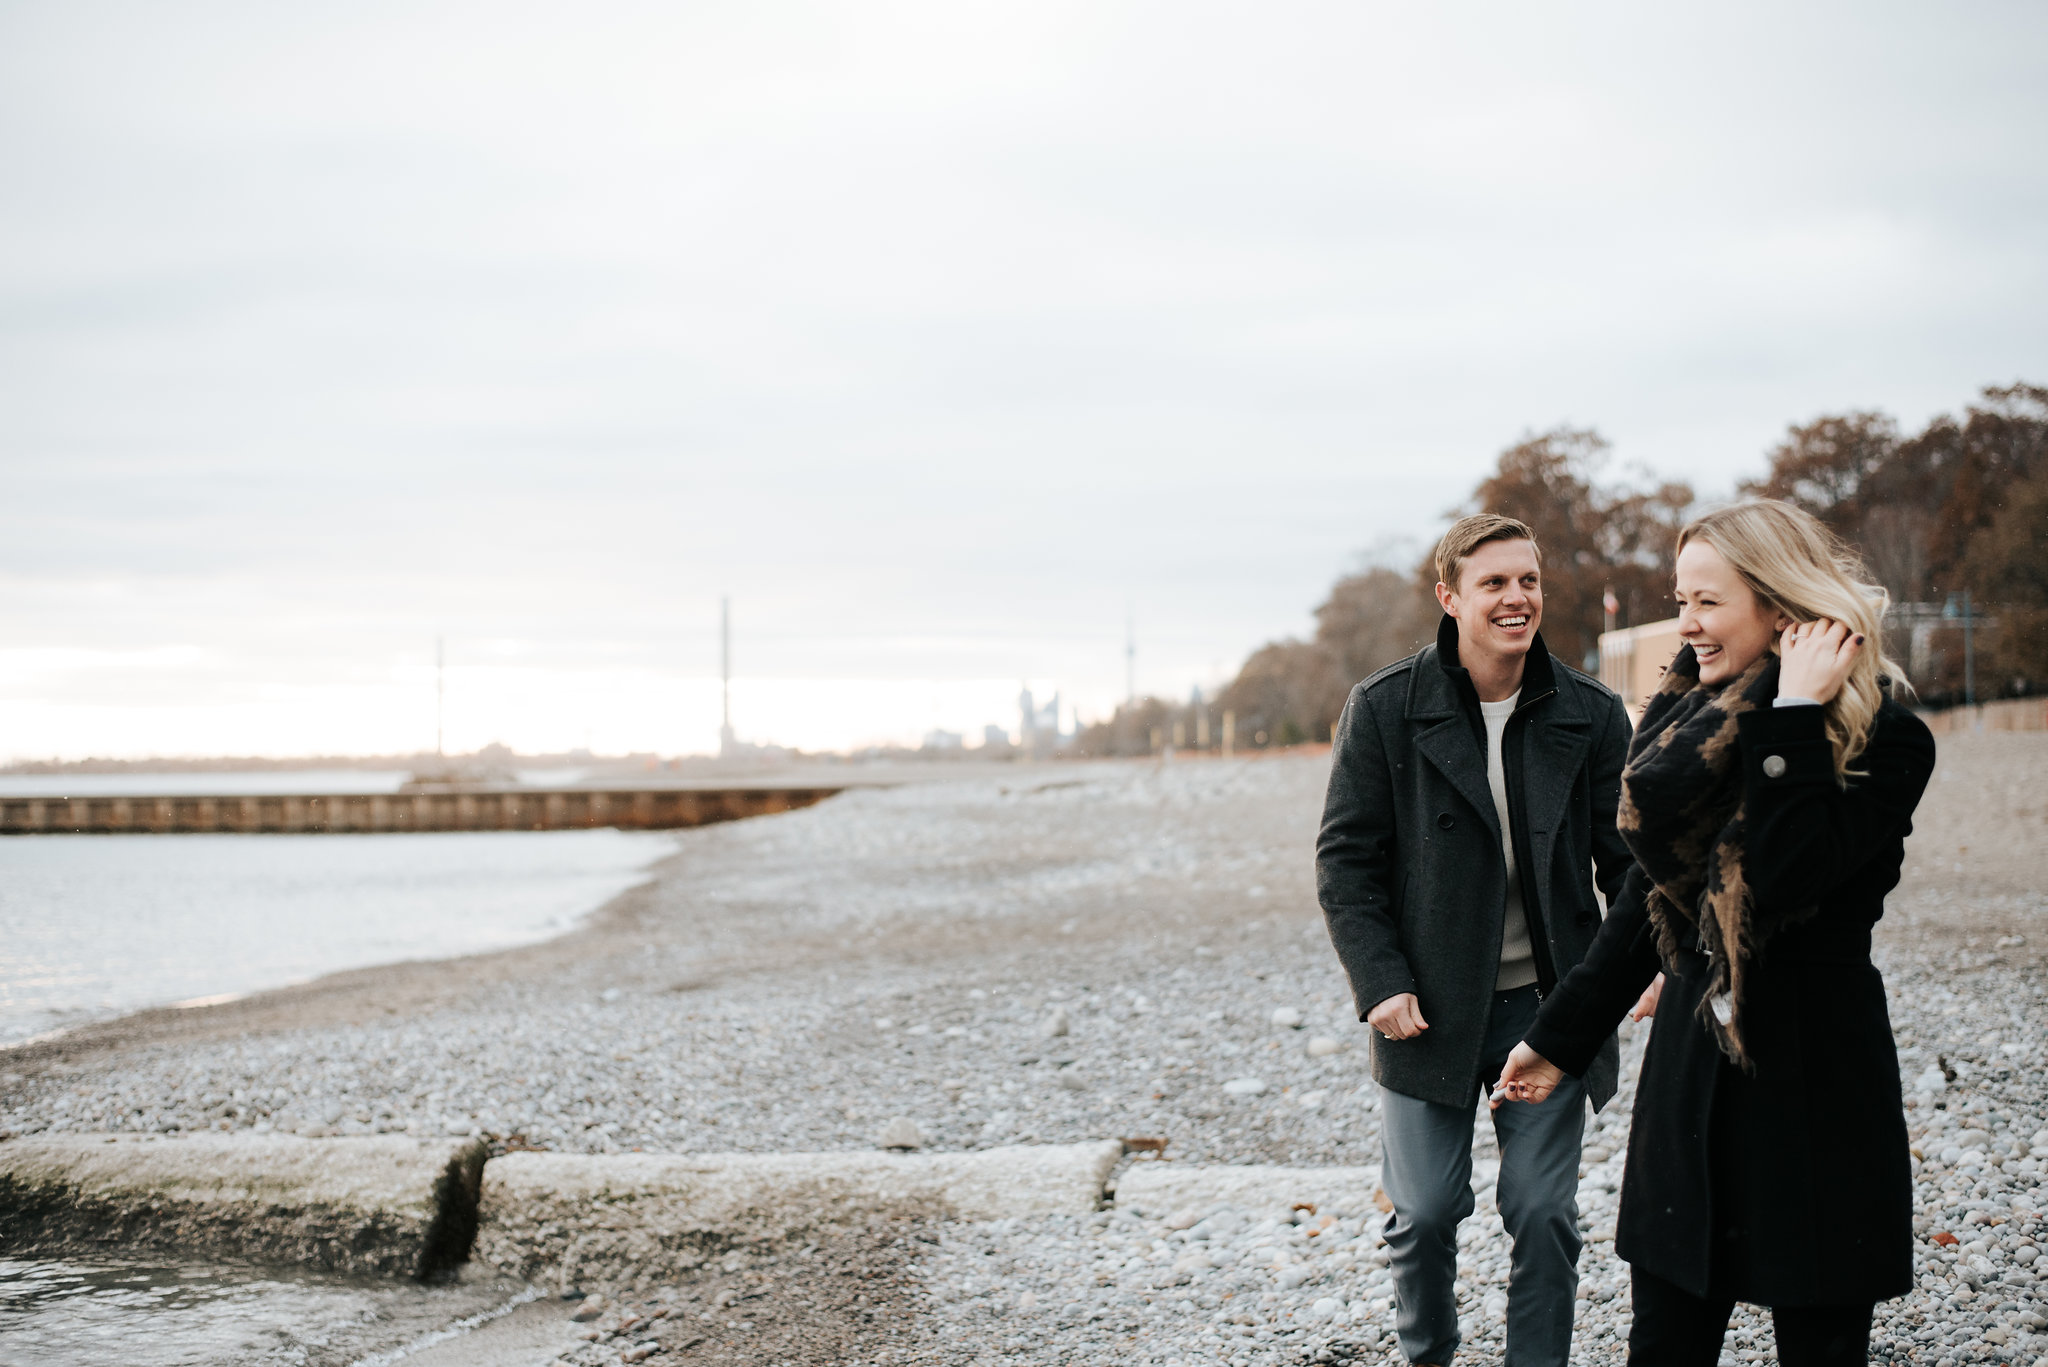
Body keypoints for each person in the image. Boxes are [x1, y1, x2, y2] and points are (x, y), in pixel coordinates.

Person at [1493, 499, 1936, 1366]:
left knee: (1821, 1338)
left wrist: (1793, 721)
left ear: (1781, 605)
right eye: (1681, 598)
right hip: (1692, 1083)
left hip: (1815, 1084)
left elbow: (1781, 877)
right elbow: (1644, 911)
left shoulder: (1883, 735)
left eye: (1707, 601)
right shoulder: (1681, 729)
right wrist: (1558, 1040)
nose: (1686, 624)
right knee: (1665, 1341)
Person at [1317, 512, 1637, 1367]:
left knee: (1542, 1212)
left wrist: (1640, 964)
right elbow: (1345, 860)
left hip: (1552, 1007)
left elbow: (1631, 864)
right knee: (1421, 1212)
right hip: (1425, 1009)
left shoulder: (1592, 713)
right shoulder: (1385, 708)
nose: (1516, 597)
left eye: (1528, 580)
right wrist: (1379, 981)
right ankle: (1430, 1355)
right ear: (1449, 597)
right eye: (1494, 582)